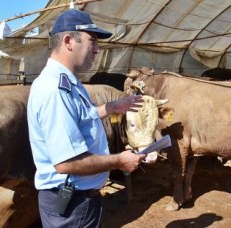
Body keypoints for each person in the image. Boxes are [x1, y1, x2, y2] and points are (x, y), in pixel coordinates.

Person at [27, 9, 146, 227]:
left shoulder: (70, 82)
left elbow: (82, 116)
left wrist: (111, 107)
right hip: (72, 203)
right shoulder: (54, 90)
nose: (98, 50)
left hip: (79, 199)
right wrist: (121, 160)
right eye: (92, 41)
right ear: (69, 41)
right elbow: (67, 162)